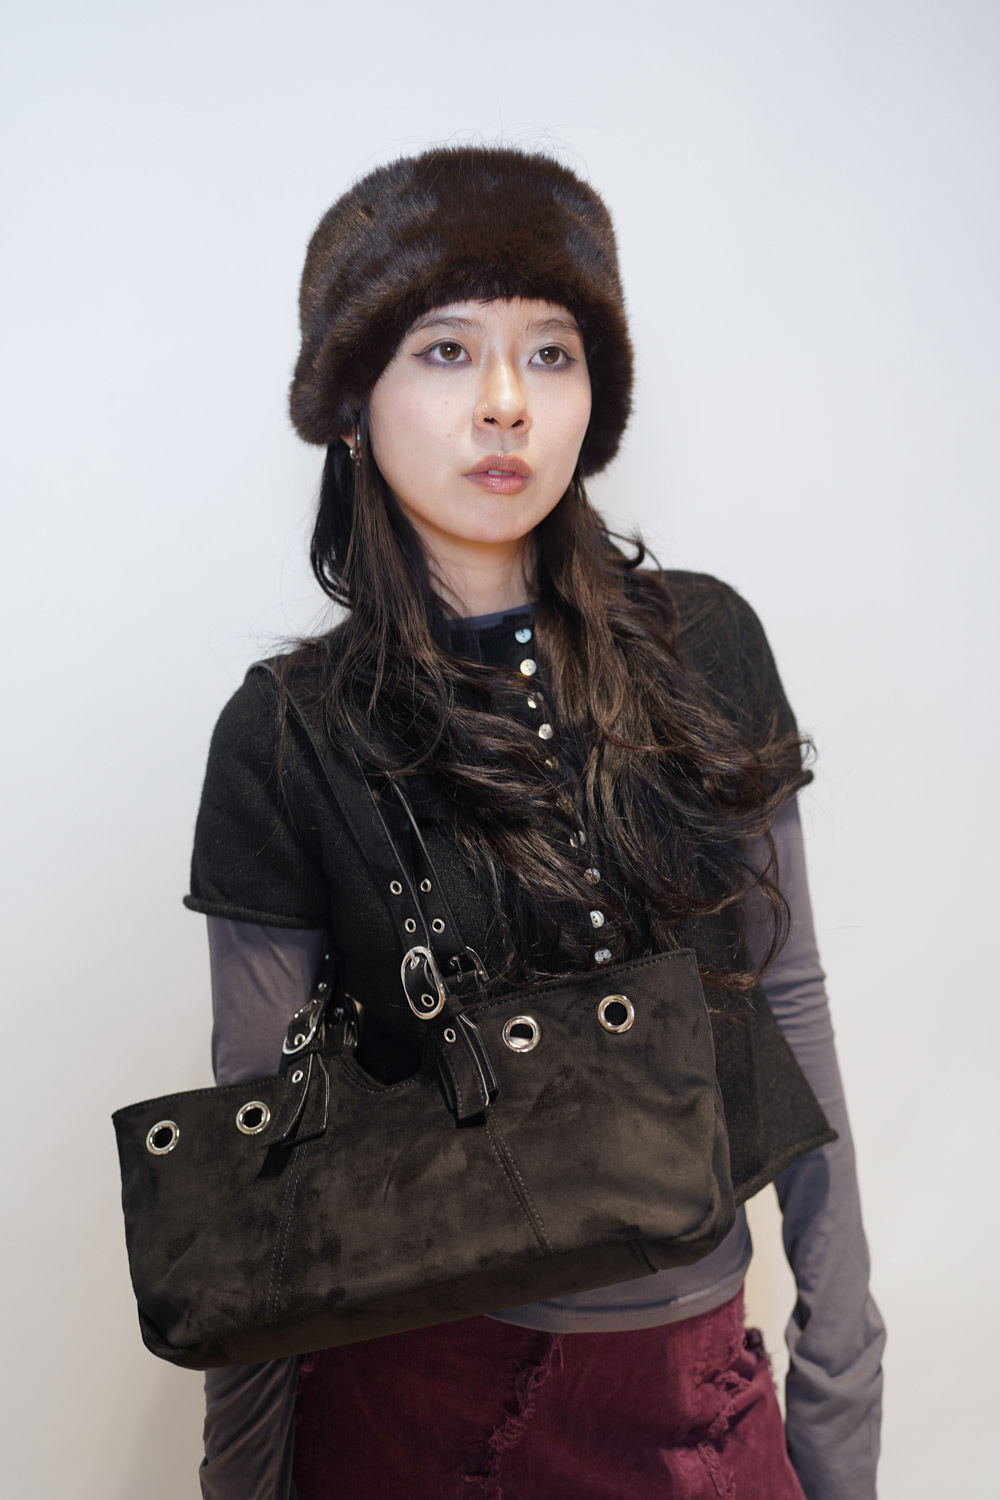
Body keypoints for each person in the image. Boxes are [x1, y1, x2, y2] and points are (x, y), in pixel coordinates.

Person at [184, 145, 885, 1500]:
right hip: (418, 1416)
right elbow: (257, 1164)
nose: (505, 402)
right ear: (351, 403)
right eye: (447, 351)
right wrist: (246, 1483)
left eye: (550, 354)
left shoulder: (707, 645)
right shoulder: (288, 732)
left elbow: (788, 993)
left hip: (702, 1392)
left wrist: (840, 1383)